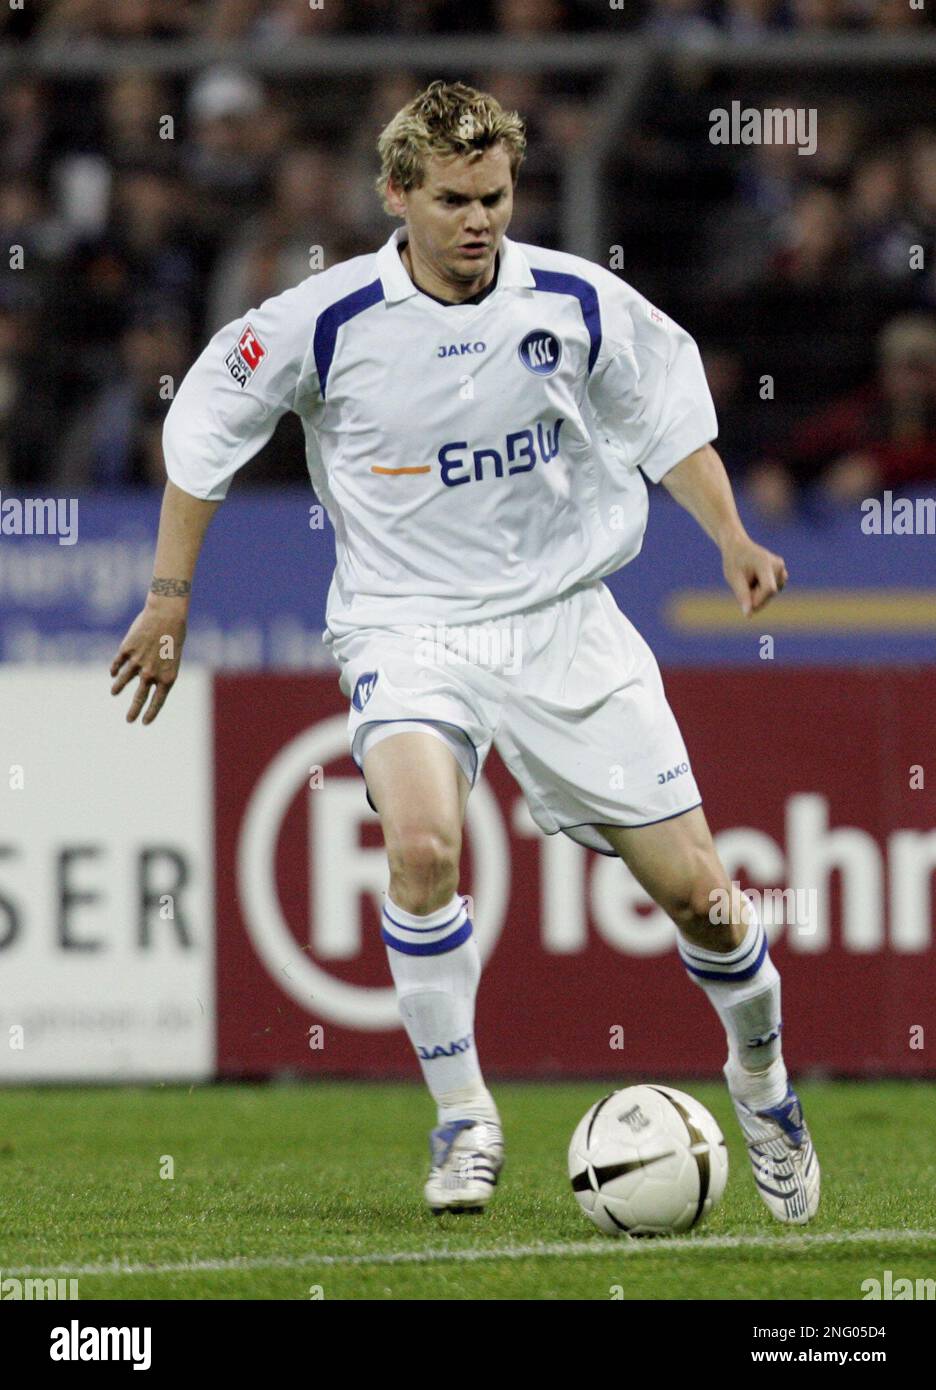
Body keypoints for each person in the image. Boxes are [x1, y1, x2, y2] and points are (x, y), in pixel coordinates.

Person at [111, 80, 820, 1225]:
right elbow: (204, 430)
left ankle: (765, 1085)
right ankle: (464, 1117)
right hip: (409, 626)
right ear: (397, 195)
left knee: (701, 897)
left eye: (494, 195)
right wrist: (168, 596)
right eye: (452, 199)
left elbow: (667, 419)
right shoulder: (325, 320)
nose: (479, 219)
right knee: (424, 846)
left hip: (565, 622)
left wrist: (732, 535)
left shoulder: (576, 300)